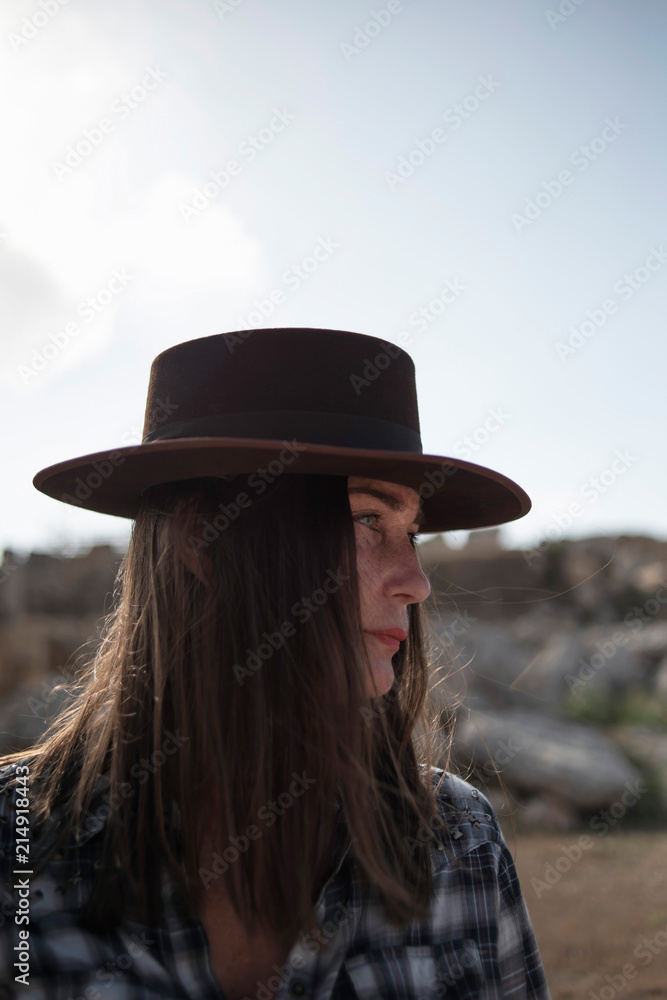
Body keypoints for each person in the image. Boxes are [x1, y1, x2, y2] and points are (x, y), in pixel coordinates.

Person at [0, 327, 550, 999]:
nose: (415, 580)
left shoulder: (456, 843)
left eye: (410, 533)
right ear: (204, 538)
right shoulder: (18, 852)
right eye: (366, 520)